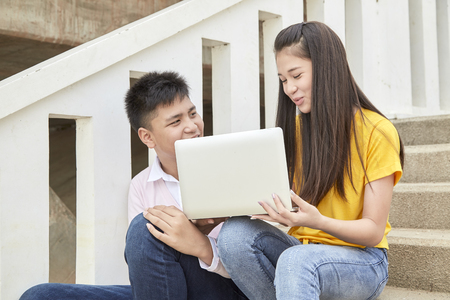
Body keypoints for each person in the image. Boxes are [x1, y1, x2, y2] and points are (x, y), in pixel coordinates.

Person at [217, 21, 404, 300]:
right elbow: (293, 203)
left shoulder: (377, 131)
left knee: (297, 260)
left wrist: (319, 221)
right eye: (283, 80)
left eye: (296, 75)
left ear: (327, 67)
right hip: (302, 252)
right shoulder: (295, 131)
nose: (289, 88)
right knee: (233, 236)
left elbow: (373, 231)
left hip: (363, 261)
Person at [20, 71, 246, 300]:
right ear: (148, 137)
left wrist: (198, 240)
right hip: (172, 288)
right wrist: (191, 231)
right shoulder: (141, 186)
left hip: (229, 288)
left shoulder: (235, 166)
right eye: (176, 121)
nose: (192, 126)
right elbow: (150, 269)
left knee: (145, 228)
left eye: (193, 113)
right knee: (41, 296)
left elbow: (259, 265)